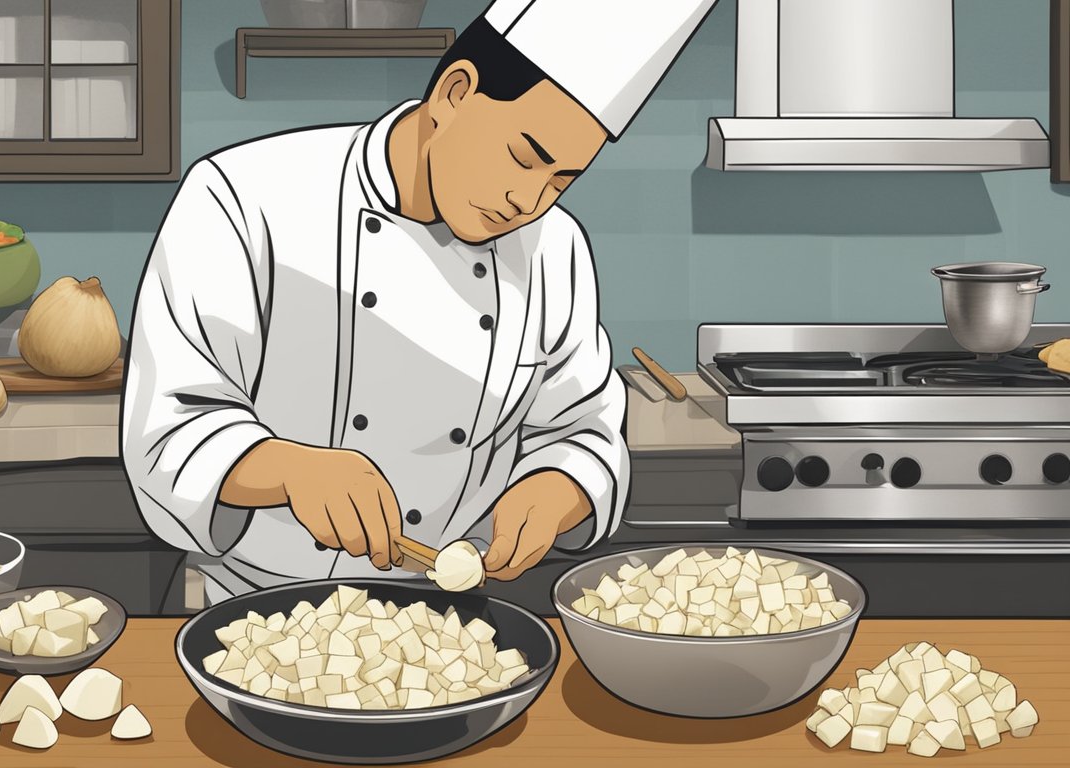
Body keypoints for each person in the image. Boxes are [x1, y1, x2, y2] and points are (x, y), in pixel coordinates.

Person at [121, 0, 718, 603]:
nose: (528, 199)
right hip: (263, 611)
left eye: (562, 178)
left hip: (456, 620)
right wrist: (292, 470)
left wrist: (557, 488)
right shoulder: (242, 198)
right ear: (455, 94)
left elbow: (583, 428)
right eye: (524, 156)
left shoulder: (554, 247)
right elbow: (171, 428)